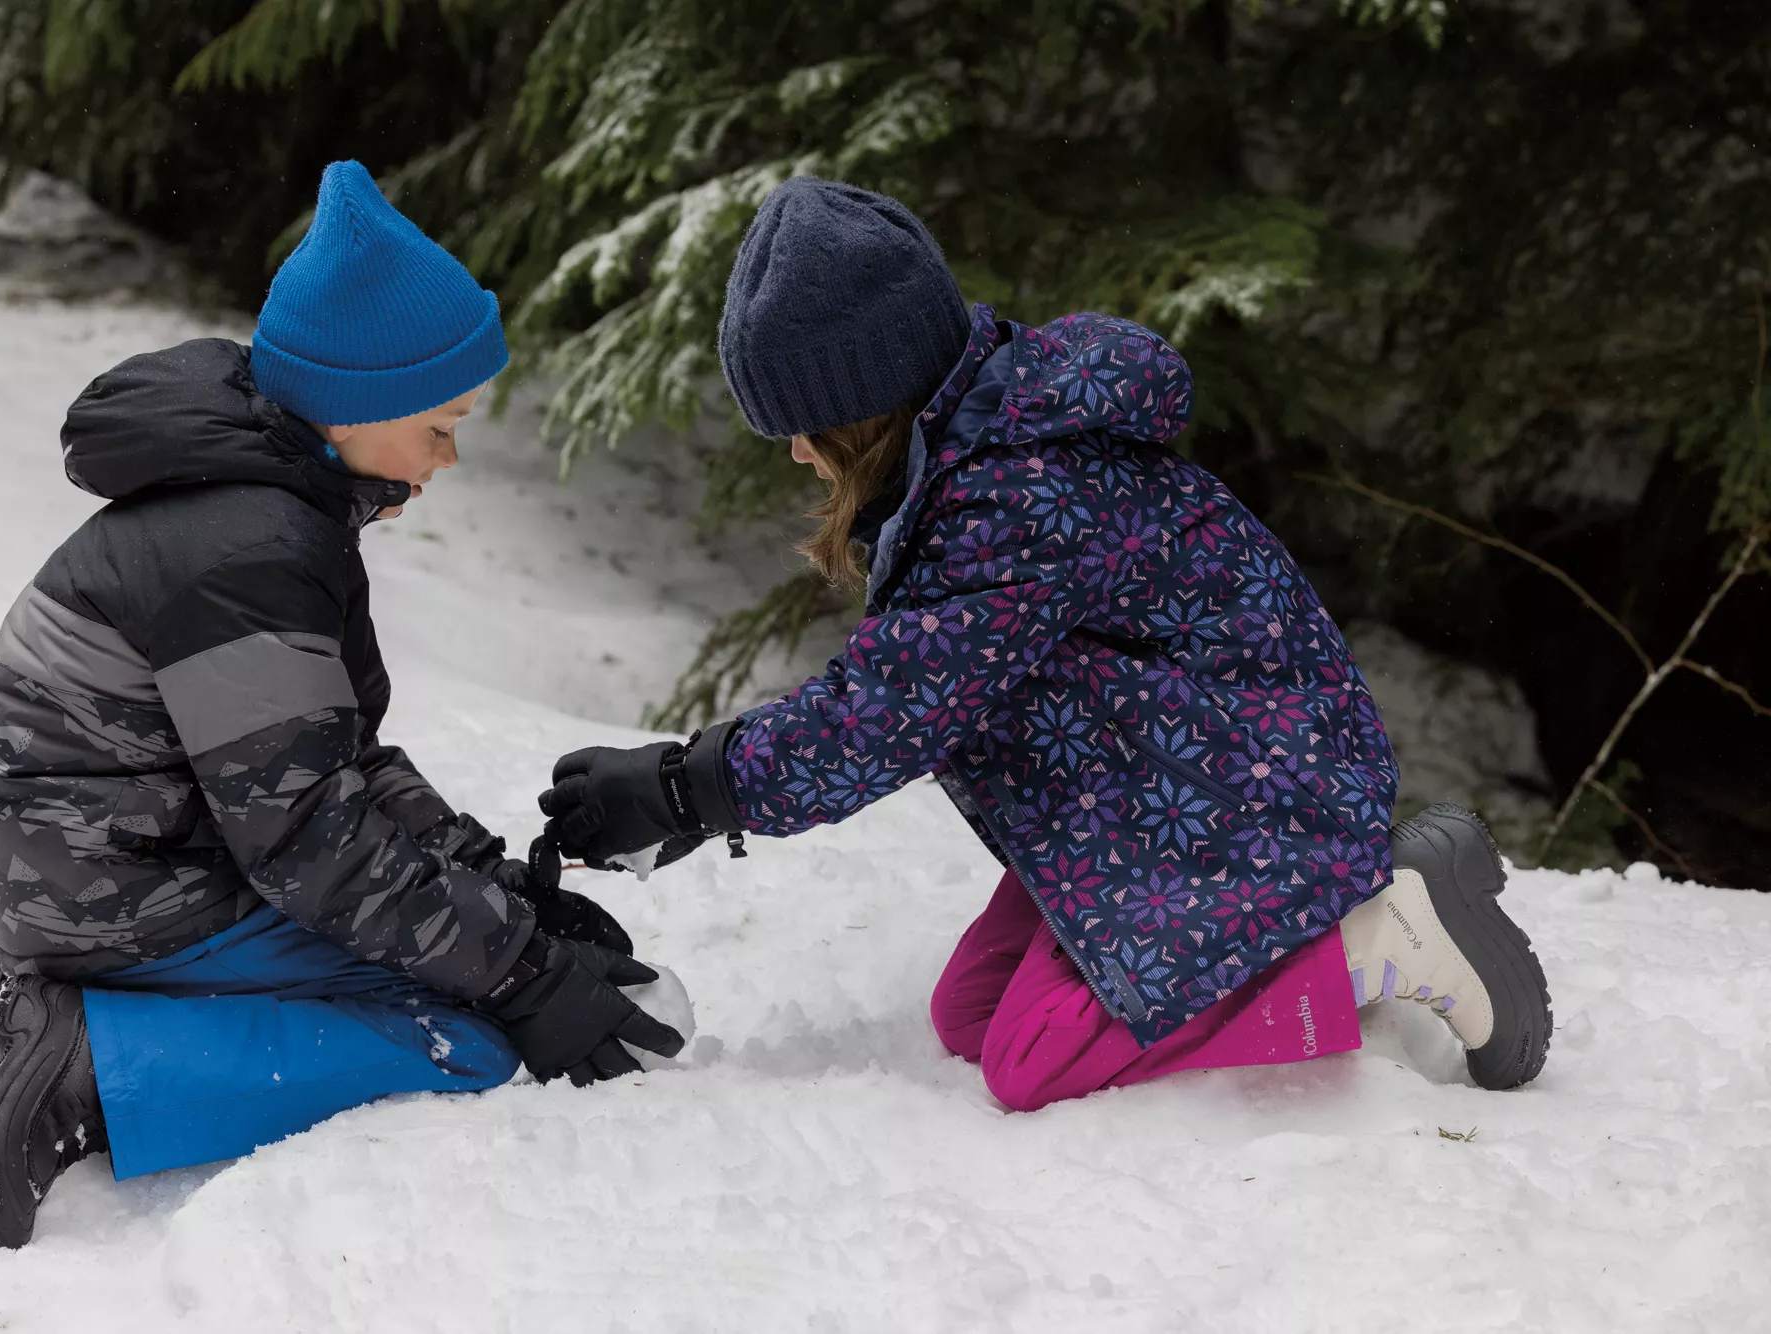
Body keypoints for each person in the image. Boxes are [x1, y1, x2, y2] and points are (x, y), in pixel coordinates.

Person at [538, 177, 1553, 1112]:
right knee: (969, 1017)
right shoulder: (983, 449)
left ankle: (1382, 940)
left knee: (1032, 1059)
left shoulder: (1015, 493)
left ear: (865, 404)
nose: (798, 453)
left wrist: (685, 785)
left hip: (1252, 794)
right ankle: (1279, 951)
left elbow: (880, 718)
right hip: (1168, 784)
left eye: (804, 426)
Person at [0, 162, 680, 1253]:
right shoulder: (247, 547)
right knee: (471, 1037)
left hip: (131, 857)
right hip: (117, 890)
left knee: (467, 967)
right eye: (438, 426)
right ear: (354, 407)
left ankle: (100, 1017)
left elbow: (337, 761)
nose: (447, 459)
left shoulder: (271, 504)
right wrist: (523, 975)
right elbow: (308, 842)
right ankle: (93, 1067)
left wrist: (489, 885)